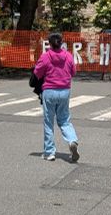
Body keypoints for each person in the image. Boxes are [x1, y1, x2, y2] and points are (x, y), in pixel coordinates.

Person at [31, 31, 80, 163]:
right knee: (64, 120)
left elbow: (37, 73)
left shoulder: (45, 57)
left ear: (50, 44)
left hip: (49, 91)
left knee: (48, 121)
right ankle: (72, 140)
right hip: (64, 91)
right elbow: (73, 72)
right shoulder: (68, 56)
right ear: (61, 43)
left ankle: (49, 152)